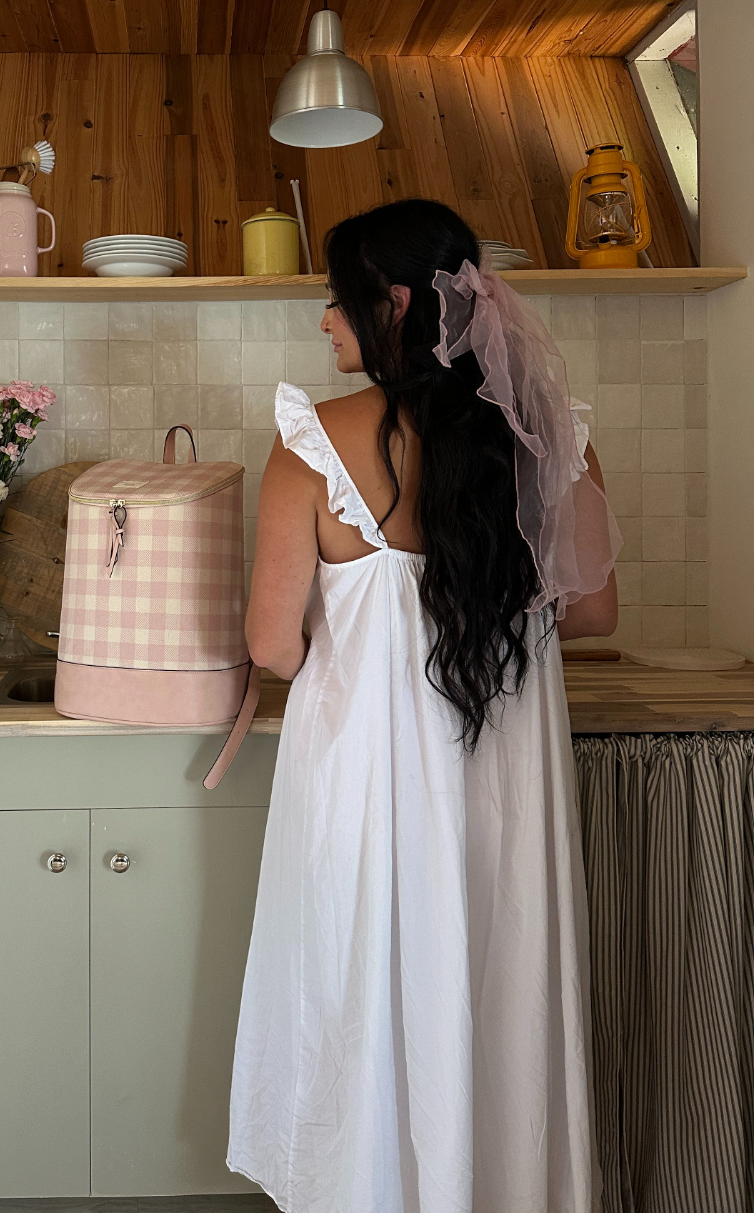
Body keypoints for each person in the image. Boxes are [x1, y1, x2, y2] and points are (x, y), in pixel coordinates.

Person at [227, 200, 619, 1213]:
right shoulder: (552, 438)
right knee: (499, 977)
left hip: (367, 778)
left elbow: (273, 647)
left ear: (396, 304)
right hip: (504, 777)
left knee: (363, 985)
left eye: (338, 299)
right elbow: (594, 610)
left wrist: (363, 632)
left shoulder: (314, 444)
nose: (325, 319)